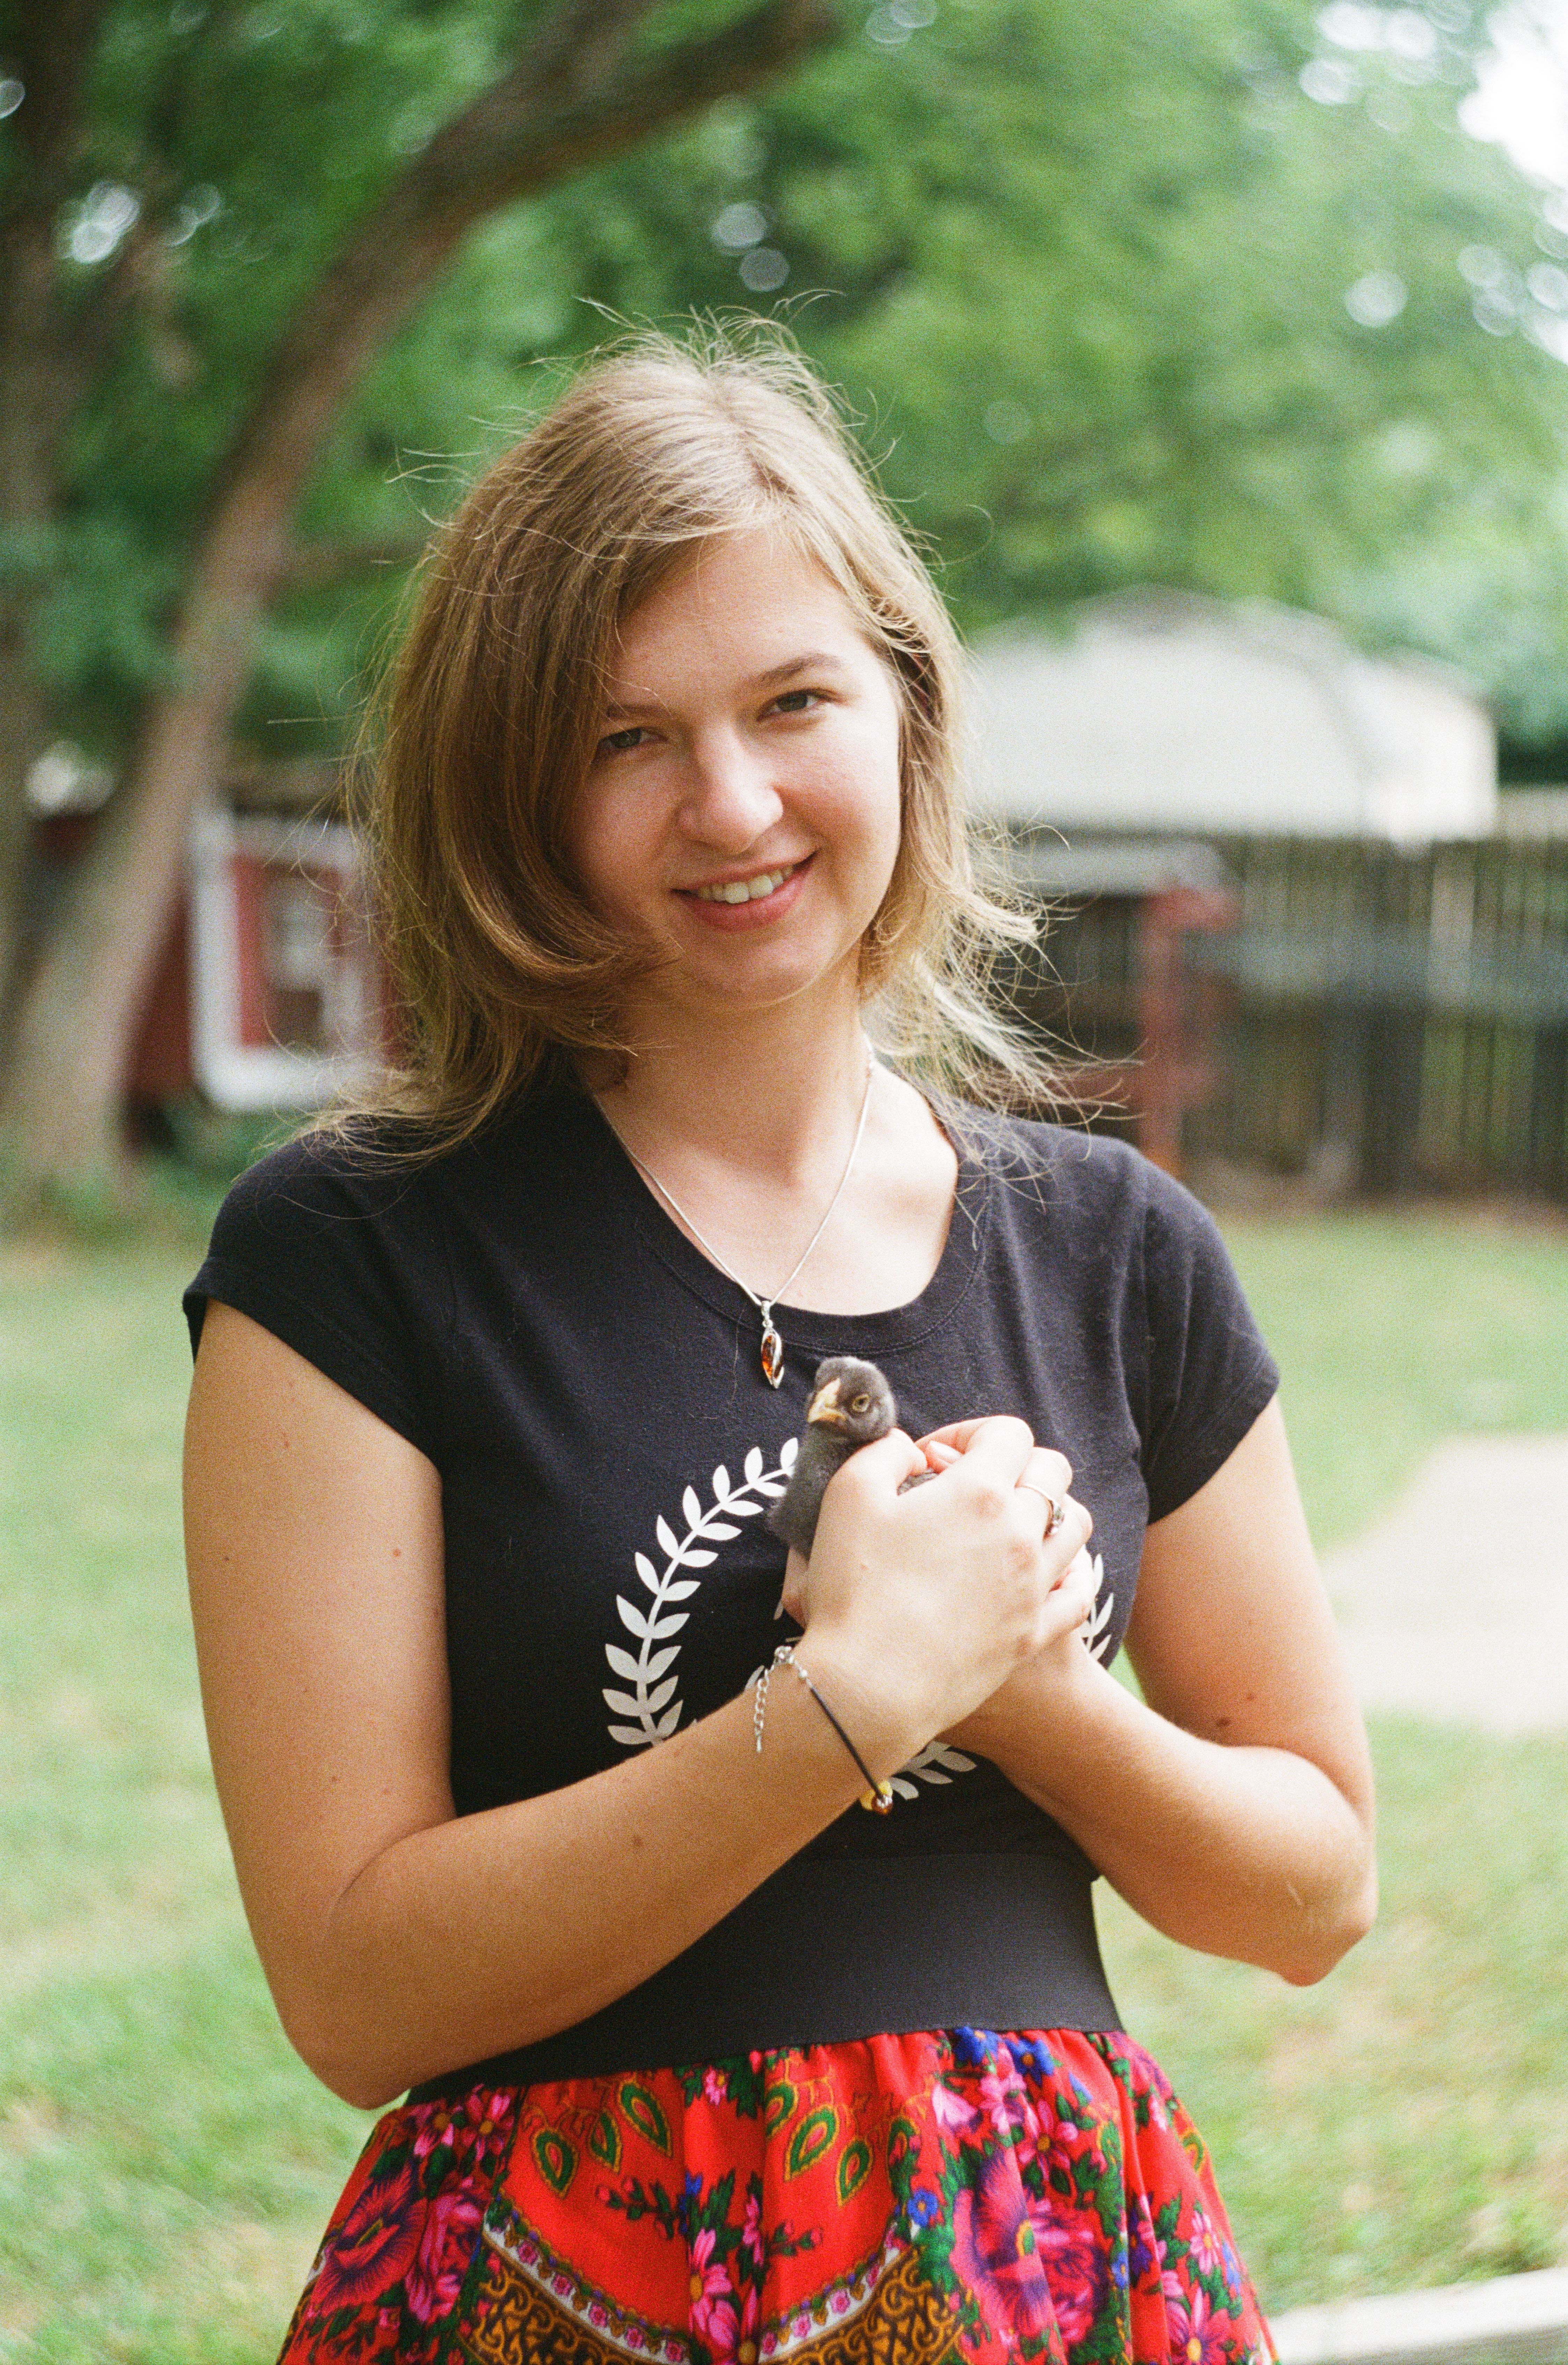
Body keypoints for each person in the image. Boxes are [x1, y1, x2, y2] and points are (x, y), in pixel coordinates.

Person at [182, 329, 1376, 2365]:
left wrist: (1016, 1684)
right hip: (560, 2289)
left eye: (792, 700)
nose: (729, 801)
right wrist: (843, 1700)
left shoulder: (1114, 1245)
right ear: (511, 791)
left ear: (906, 712)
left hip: (1051, 2276)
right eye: (621, 737)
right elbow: (357, 1992)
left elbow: (1309, 1888)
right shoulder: (355, 1255)